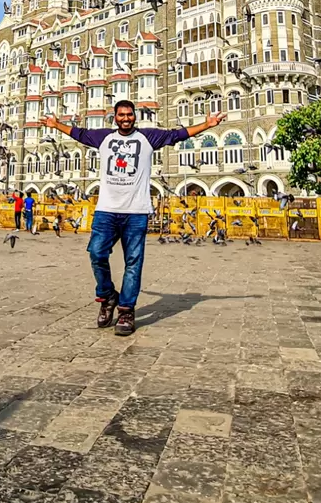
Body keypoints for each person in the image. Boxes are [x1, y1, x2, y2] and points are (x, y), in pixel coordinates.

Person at [44, 100, 225, 336]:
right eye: (121, 115)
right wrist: (56, 124)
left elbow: (177, 135)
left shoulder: (148, 137)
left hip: (136, 212)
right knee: (96, 253)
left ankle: (127, 310)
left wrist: (207, 125)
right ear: (115, 117)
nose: (126, 118)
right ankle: (108, 296)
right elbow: (79, 133)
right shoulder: (104, 138)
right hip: (106, 210)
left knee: (133, 262)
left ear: (135, 116)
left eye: (129, 114)